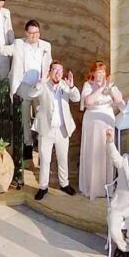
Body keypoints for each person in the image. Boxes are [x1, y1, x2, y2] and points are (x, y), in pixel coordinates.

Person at [33, 61, 80, 201]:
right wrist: (40, 82)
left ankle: (64, 183)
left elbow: (76, 97)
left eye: (60, 70)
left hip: (62, 129)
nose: (58, 73)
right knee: (45, 159)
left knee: (62, 157)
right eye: (55, 70)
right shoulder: (43, 85)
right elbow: (32, 93)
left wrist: (71, 86)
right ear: (50, 71)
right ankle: (43, 186)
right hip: (46, 129)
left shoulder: (65, 86)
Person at [79, 62, 124, 200]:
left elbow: (119, 100)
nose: (101, 75)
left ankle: (107, 186)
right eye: (98, 72)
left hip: (107, 120)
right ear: (93, 73)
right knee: (93, 151)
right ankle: (92, 186)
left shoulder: (111, 84)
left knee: (107, 151)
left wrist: (110, 88)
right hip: (92, 121)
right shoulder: (88, 85)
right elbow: (88, 101)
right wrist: (101, 88)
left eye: (103, 72)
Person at [9, 20, 52, 159]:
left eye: (36, 33)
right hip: (25, 85)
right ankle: (27, 143)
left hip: (39, 87)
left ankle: (41, 143)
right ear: (26, 33)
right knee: (24, 116)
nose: (34, 36)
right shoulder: (19, 44)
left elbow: (48, 63)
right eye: (31, 33)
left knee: (41, 114)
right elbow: (5, 50)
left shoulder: (46, 46)